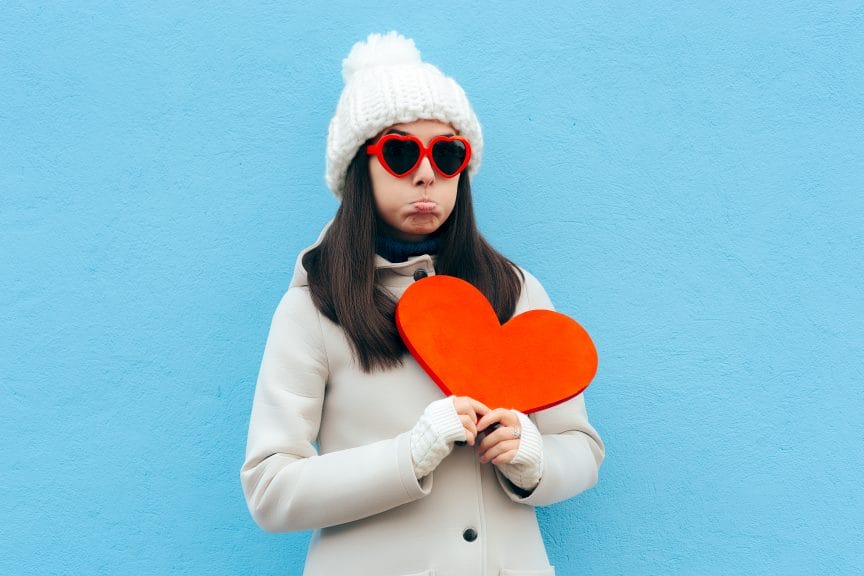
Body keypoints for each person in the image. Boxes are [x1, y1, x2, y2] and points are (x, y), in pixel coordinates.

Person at [240, 31, 604, 576]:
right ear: (359, 169)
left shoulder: (512, 289)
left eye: (448, 152)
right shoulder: (314, 308)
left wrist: (533, 458)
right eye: (400, 151)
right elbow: (270, 487)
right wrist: (409, 454)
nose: (426, 172)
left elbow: (581, 447)